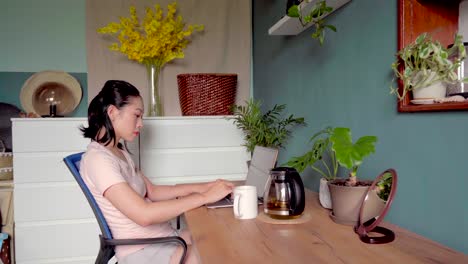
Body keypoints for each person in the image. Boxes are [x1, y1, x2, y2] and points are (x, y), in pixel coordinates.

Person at [79, 80, 234, 264]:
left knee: (219, 237)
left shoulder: (119, 151)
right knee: (215, 255)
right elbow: (144, 215)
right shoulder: (98, 160)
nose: (141, 124)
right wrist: (205, 197)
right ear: (112, 112)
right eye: (136, 115)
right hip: (144, 250)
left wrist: (206, 187)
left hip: (164, 237)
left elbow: (152, 191)